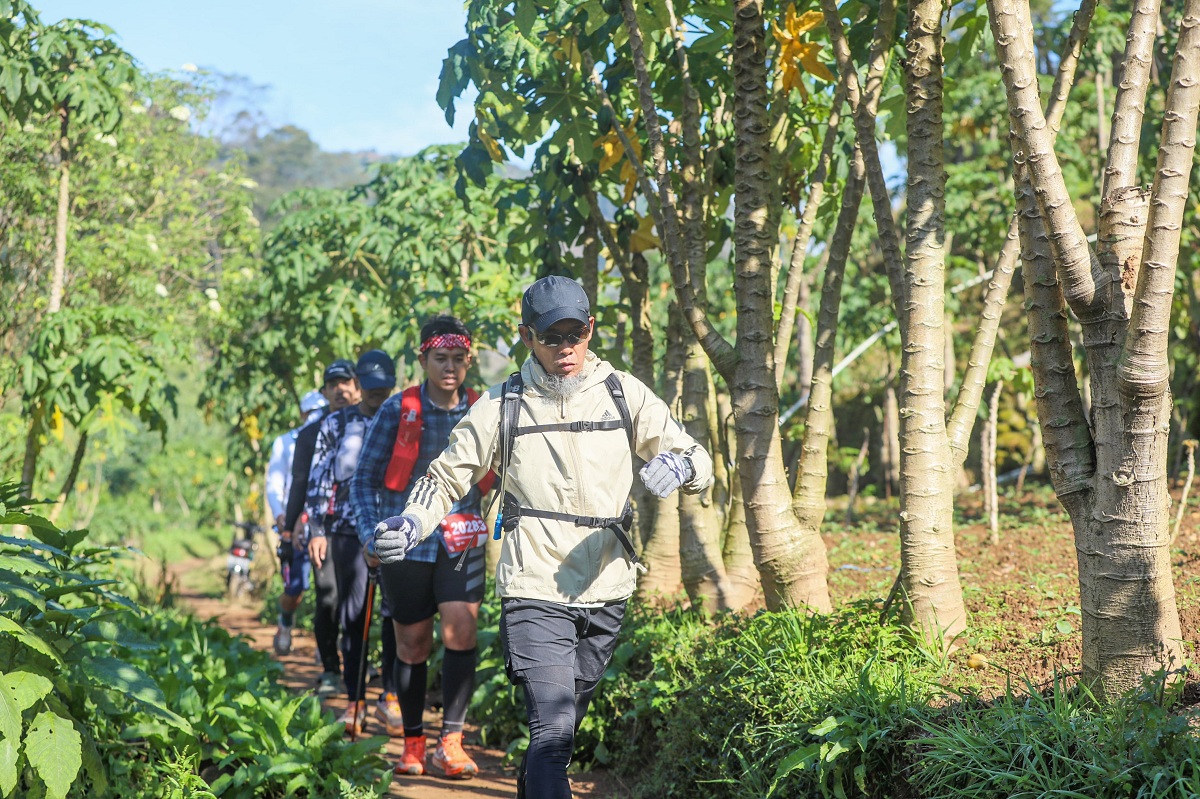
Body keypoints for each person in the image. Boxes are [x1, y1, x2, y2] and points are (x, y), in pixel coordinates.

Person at [373, 276, 713, 799]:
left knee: (564, 722)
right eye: (552, 337)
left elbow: (696, 455)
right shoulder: (501, 404)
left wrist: (682, 465)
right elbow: (446, 476)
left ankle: (534, 782)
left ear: (590, 329)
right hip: (532, 584)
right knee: (552, 729)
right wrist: (412, 522)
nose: (566, 348)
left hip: (607, 585)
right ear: (527, 336)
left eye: (576, 333)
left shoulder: (624, 393)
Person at [351, 315, 492, 779]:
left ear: (469, 359)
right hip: (404, 547)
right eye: (440, 358)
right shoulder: (397, 410)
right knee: (411, 644)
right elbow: (363, 481)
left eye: (458, 358)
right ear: (423, 360)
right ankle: (413, 743)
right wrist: (372, 537)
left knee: (461, 631)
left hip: (462, 543)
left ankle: (450, 742)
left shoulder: (483, 408)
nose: (449, 367)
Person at [306, 349, 398, 734]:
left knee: (396, 615)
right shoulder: (335, 423)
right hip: (346, 530)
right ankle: (354, 698)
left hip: (397, 529)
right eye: (371, 388)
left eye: (383, 389)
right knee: (354, 613)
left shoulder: (399, 417)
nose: (377, 395)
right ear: (359, 385)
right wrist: (316, 529)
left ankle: (391, 696)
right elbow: (318, 477)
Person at [283, 359, 360, 694]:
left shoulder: (375, 422)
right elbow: (300, 481)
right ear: (325, 392)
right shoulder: (311, 433)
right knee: (328, 596)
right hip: (324, 527)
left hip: (364, 527)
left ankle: (356, 663)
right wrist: (292, 527)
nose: (340, 390)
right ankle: (330, 668)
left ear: (357, 387)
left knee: (356, 601)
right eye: (333, 384)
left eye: (347, 383)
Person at [267, 389, 328, 656]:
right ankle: (285, 623)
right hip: (295, 525)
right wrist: (283, 517)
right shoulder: (286, 442)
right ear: (302, 413)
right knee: (297, 588)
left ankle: (326, 646)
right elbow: (275, 482)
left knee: (329, 590)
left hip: (323, 523)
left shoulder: (334, 435)